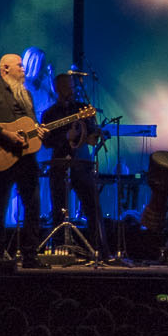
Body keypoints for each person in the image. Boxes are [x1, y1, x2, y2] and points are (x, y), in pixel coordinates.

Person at [0, 52, 43, 266]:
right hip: (1, 153)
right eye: (19, 65)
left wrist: (38, 131)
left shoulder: (26, 94)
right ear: (5, 69)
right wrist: (5, 134)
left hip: (26, 158)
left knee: (33, 205)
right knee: (0, 204)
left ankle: (30, 255)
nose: (24, 69)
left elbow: (30, 124)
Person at [40, 72, 107, 257]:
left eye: (71, 85)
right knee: (59, 208)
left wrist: (93, 135)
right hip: (59, 164)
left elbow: (92, 135)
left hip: (82, 163)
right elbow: (46, 141)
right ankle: (60, 250)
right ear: (57, 88)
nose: (71, 88)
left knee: (92, 206)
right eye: (66, 85)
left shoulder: (82, 108)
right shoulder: (49, 114)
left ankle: (100, 251)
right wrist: (65, 138)